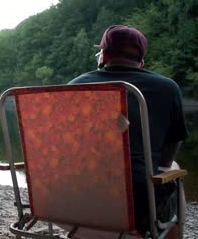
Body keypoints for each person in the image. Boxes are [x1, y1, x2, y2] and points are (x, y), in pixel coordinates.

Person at [69, 25, 188, 233]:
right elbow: (170, 151)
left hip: (76, 200)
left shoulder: (74, 87)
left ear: (103, 55)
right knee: (174, 170)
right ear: (141, 62)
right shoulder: (167, 88)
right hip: (137, 205)